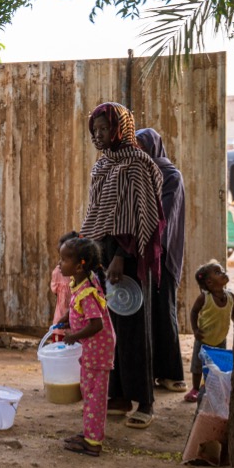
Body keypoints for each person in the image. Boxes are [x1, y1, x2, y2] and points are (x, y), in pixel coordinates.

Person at [80, 102, 164, 429]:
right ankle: (118, 396)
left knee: (133, 330)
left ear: (119, 128)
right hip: (104, 254)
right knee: (108, 329)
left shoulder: (138, 165)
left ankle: (145, 401)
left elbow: (145, 216)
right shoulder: (103, 165)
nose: (99, 135)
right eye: (95, 130)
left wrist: (121, 256)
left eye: (104, 129)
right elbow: (97, 214)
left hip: (127, 256)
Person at [135, 128, 187, 393]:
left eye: (142, 147)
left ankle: (172, 373)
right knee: (144, 312)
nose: (138, 153)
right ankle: (153, 371)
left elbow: (163, 218)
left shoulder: (170, 176)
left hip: (162, 253)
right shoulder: (138, 174)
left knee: (163, 310)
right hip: (143, 250)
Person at [56, 236, 116, 457]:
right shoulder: (83, 282)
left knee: (94, 396)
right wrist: (67, 318)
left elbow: (96, 323)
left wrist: (74, 335)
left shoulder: (87, 292)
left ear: (80, 264)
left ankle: (93, 442)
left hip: (97, 350)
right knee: (89, 391)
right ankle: (90, 433)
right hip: (94, 348)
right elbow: (79, 312)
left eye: (64, 260)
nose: (60, 264)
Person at [186, 260, 234, 402]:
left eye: (222, 270)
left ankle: (211, 388)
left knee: (217, 365)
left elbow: (233, 313)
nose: (223, 273)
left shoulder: (230, 296)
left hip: (220, 338)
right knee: (198, 365)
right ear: (209, 283)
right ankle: (195, 388)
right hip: (204, 338)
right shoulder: (204, 298)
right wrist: (195, 329)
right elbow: (194, 312)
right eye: (218, 272)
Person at [49, 232, 76, 342]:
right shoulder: (57, 272)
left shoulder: (86, 284)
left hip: (78, 329)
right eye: (60, 258)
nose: (60, 263)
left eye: (64, 259)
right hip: (61, 324)